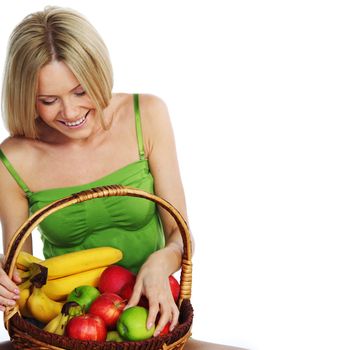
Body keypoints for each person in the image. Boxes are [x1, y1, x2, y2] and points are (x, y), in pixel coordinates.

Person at [0, 6, 244, 350]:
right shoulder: (13, 158)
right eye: (48, 100)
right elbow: (20, 272)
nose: (69, 113)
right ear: (26, 96)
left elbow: (179, 234)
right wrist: (5, 279)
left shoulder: (147, 115)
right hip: (62, 328)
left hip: (149, 320)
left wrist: (164, 260)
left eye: (81, 91)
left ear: (99, 73)